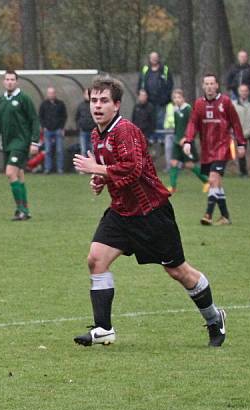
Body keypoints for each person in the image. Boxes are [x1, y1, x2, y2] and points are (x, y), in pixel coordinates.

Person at [72, 75, 227, 349]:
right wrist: (100, 180)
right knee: (96, 259)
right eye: (93, 100)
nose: (97, 106)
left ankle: (215, 318)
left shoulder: (125, 131)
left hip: (151, 213)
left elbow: (133, 169)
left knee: (178, 271)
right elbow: (116, 172)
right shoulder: (97, 135)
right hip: (121, 212)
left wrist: (96, 169)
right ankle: (104, 328)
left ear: (117, 105)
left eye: (104, 101)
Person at [183, 73, 246, 226]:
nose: (210, 86)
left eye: (212, 83)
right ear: (203, 86)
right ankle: (225, 216)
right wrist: (188, 140)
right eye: (207, 84)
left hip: (222, 147)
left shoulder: (225, 102)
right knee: (216, 182)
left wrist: (241, 143)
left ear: (217, 85)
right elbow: (193, 124)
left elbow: (236, 123)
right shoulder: (199, 104)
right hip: (207, 149)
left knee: (212, 179)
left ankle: (208, 214)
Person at [0, 70, 40, 220]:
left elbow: (34, 120)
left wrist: (34, 141)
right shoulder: (2, 99)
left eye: (12, 79)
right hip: (7, 143)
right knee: (19, 174)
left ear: (17, 82)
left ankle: (21, 209)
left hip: (21, 143)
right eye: (7, 79)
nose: (9, 82)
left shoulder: (24, 99)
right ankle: (25, 210)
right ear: (3, 81)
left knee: (10, 173)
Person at [167, 88, 208, 193]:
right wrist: (177, 137)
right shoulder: (176, 109)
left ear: (183, 98)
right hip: (177, 141)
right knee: (174, 163)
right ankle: (172, 187)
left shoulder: (188, 109)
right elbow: (177, 126)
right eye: (175, 97)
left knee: (189, 165)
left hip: (186, 142)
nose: (176, 99)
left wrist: (186, 138)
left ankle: (207, 182)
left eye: (179, 97)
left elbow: (193, 124)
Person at [138, 51, 173, 142]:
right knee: (150, 119)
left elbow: (170, 84)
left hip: (162, 101)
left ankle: (161, 138)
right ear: (149, 59)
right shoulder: (145, 70)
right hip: (149, 100)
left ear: (158, 58)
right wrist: (141, 94)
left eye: (155, 57)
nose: (154, 59)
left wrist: (166, 97)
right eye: (152, 57)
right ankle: (151, 138)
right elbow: (140, 84)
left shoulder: (165, 69)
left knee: (161, 119)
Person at [38, 86, 67, 174]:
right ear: (47, 94)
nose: (51, 95)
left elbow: (64, 116)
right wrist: (43, 127)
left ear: (55, 94)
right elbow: (40, 116)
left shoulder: (61, 104)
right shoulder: (44, 104)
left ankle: (60, 169)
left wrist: (62, 127)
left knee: (59, 150)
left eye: (52, 93)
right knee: (48, 151)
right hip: (47, 130)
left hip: (58, 130)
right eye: (49, 93)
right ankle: (47, 169)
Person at [75, 88, 94, 157]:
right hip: (83, 131)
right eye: (86, 94)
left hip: (93, 131)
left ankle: (93, 167)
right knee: (83, 150)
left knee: (93, 150)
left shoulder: (95, 105)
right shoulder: (81, 105)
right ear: (84, 95)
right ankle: (84, 167)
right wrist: (79, 126)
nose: (88, 96)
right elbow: (77, 117)